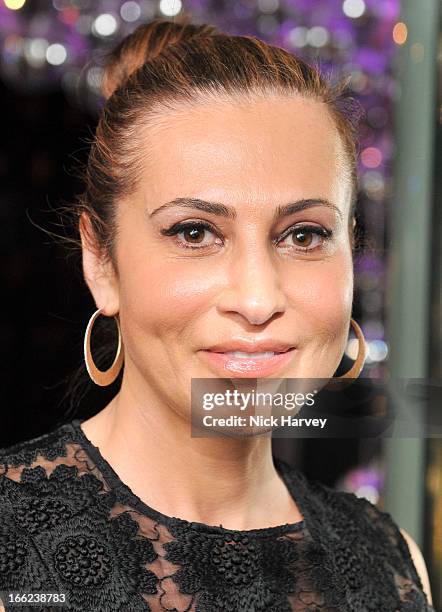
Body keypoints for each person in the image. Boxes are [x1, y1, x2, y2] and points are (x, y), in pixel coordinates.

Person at [0, 16, 434, 612]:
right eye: (195, 231)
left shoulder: (391, 560)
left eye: (304, 236)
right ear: (101, 261)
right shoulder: (13, 550)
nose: (257, 301)